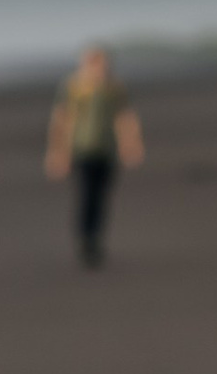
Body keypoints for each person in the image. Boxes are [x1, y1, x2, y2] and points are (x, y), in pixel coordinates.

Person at [43, 44, 143, 268]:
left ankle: (95, 237)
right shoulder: (74, 87)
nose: (99, 68)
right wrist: (58, 153)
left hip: (106, 149)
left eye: (103, 63)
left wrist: (131, 144)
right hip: (82, 148)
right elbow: (62, 119)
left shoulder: (114, 87)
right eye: (94, 63)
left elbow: (125, 117)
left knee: (101, 196)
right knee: (87, 194)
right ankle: (85, 239)